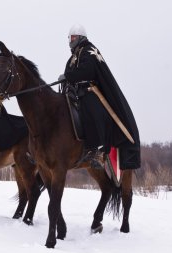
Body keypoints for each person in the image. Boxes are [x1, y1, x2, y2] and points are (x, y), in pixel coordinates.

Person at [60, 24, 141, 170]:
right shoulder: (74, 55)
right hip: (74, 92)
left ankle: (98, 150)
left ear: (80, 37)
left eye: (72, 37)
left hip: (90, 91)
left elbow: (87, 71)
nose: (70, 41)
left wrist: (68, 76)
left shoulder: (89, 51)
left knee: (93, 111)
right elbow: (70, 72)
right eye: (69, 38)